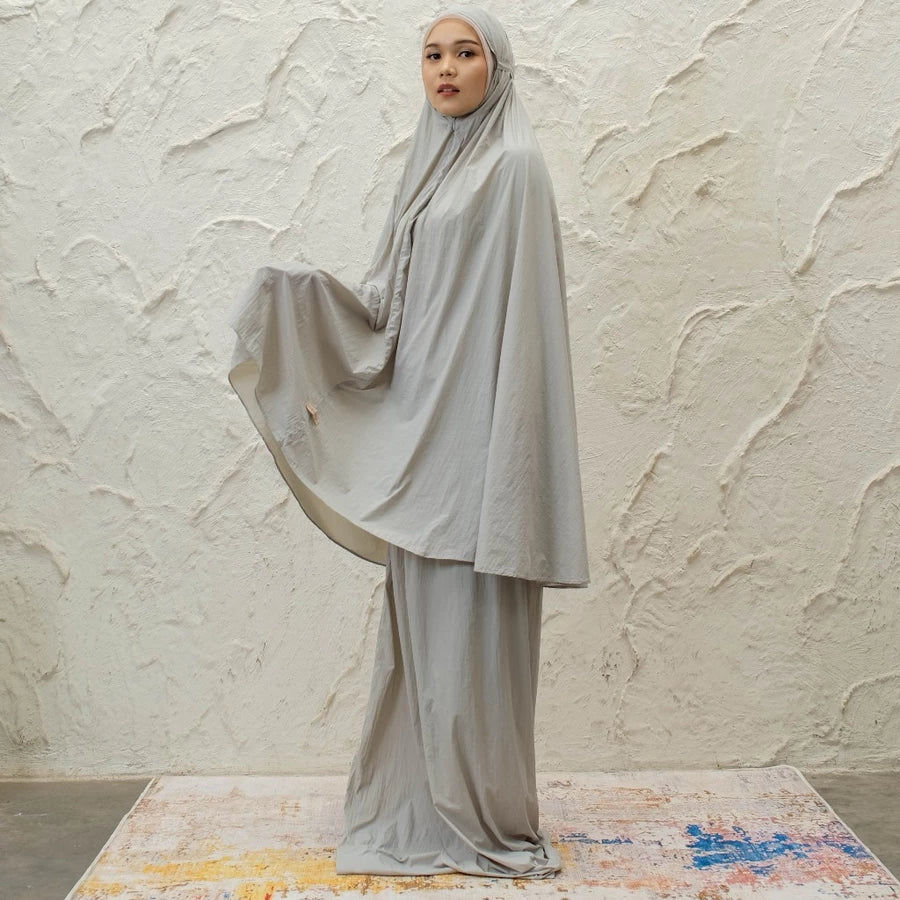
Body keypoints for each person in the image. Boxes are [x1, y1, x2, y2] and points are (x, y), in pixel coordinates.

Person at [225, 4, 589, 880]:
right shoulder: (430, 165)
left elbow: (523, 330)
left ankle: (483, 815)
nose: (447, 69)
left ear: (497, 68)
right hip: (424, 438)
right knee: (424, 635)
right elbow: (392, 311)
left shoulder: (514, 167)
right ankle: (417, 808)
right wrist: (302, 297)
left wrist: (507, 459)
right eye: (432, 55)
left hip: (480, 442)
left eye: (466, 53)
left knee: (476, 633)